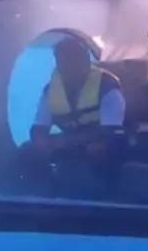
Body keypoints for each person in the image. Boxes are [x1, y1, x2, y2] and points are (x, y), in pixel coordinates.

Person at [17, 36, 128, 197]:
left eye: (74, 59)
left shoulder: (107, 87)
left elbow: (110, 131)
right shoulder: (51, 91)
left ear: (86, 61)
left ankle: (107, 196)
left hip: (107, 141)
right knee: (27, 151)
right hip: (71, 143)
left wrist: (64, 141)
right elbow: (38, 127)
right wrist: (40, 142)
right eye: (64, 60)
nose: (70, 66)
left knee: (98, 151)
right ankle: (45, 197)